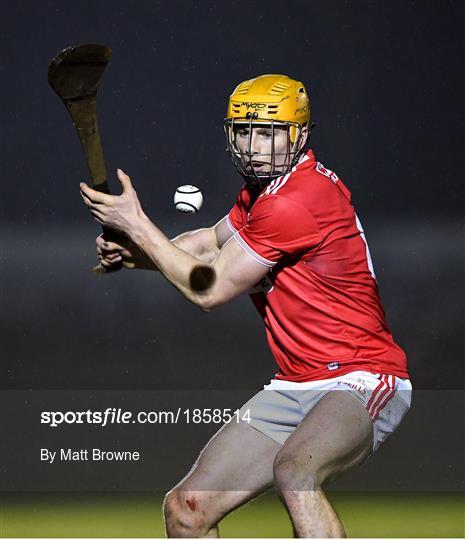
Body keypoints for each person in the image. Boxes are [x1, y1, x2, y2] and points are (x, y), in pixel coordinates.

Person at [80, 74, 412, 538]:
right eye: (245, 130)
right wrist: (135, 254)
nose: (255, 145)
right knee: (187, 510)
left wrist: (137, 225)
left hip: (362, 376)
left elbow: (208, 289)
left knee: (296, 473)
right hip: (297, 384)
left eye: (269, 132)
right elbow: (204, 244)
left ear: (298, 135)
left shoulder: (298, 199)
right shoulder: (261, 197)